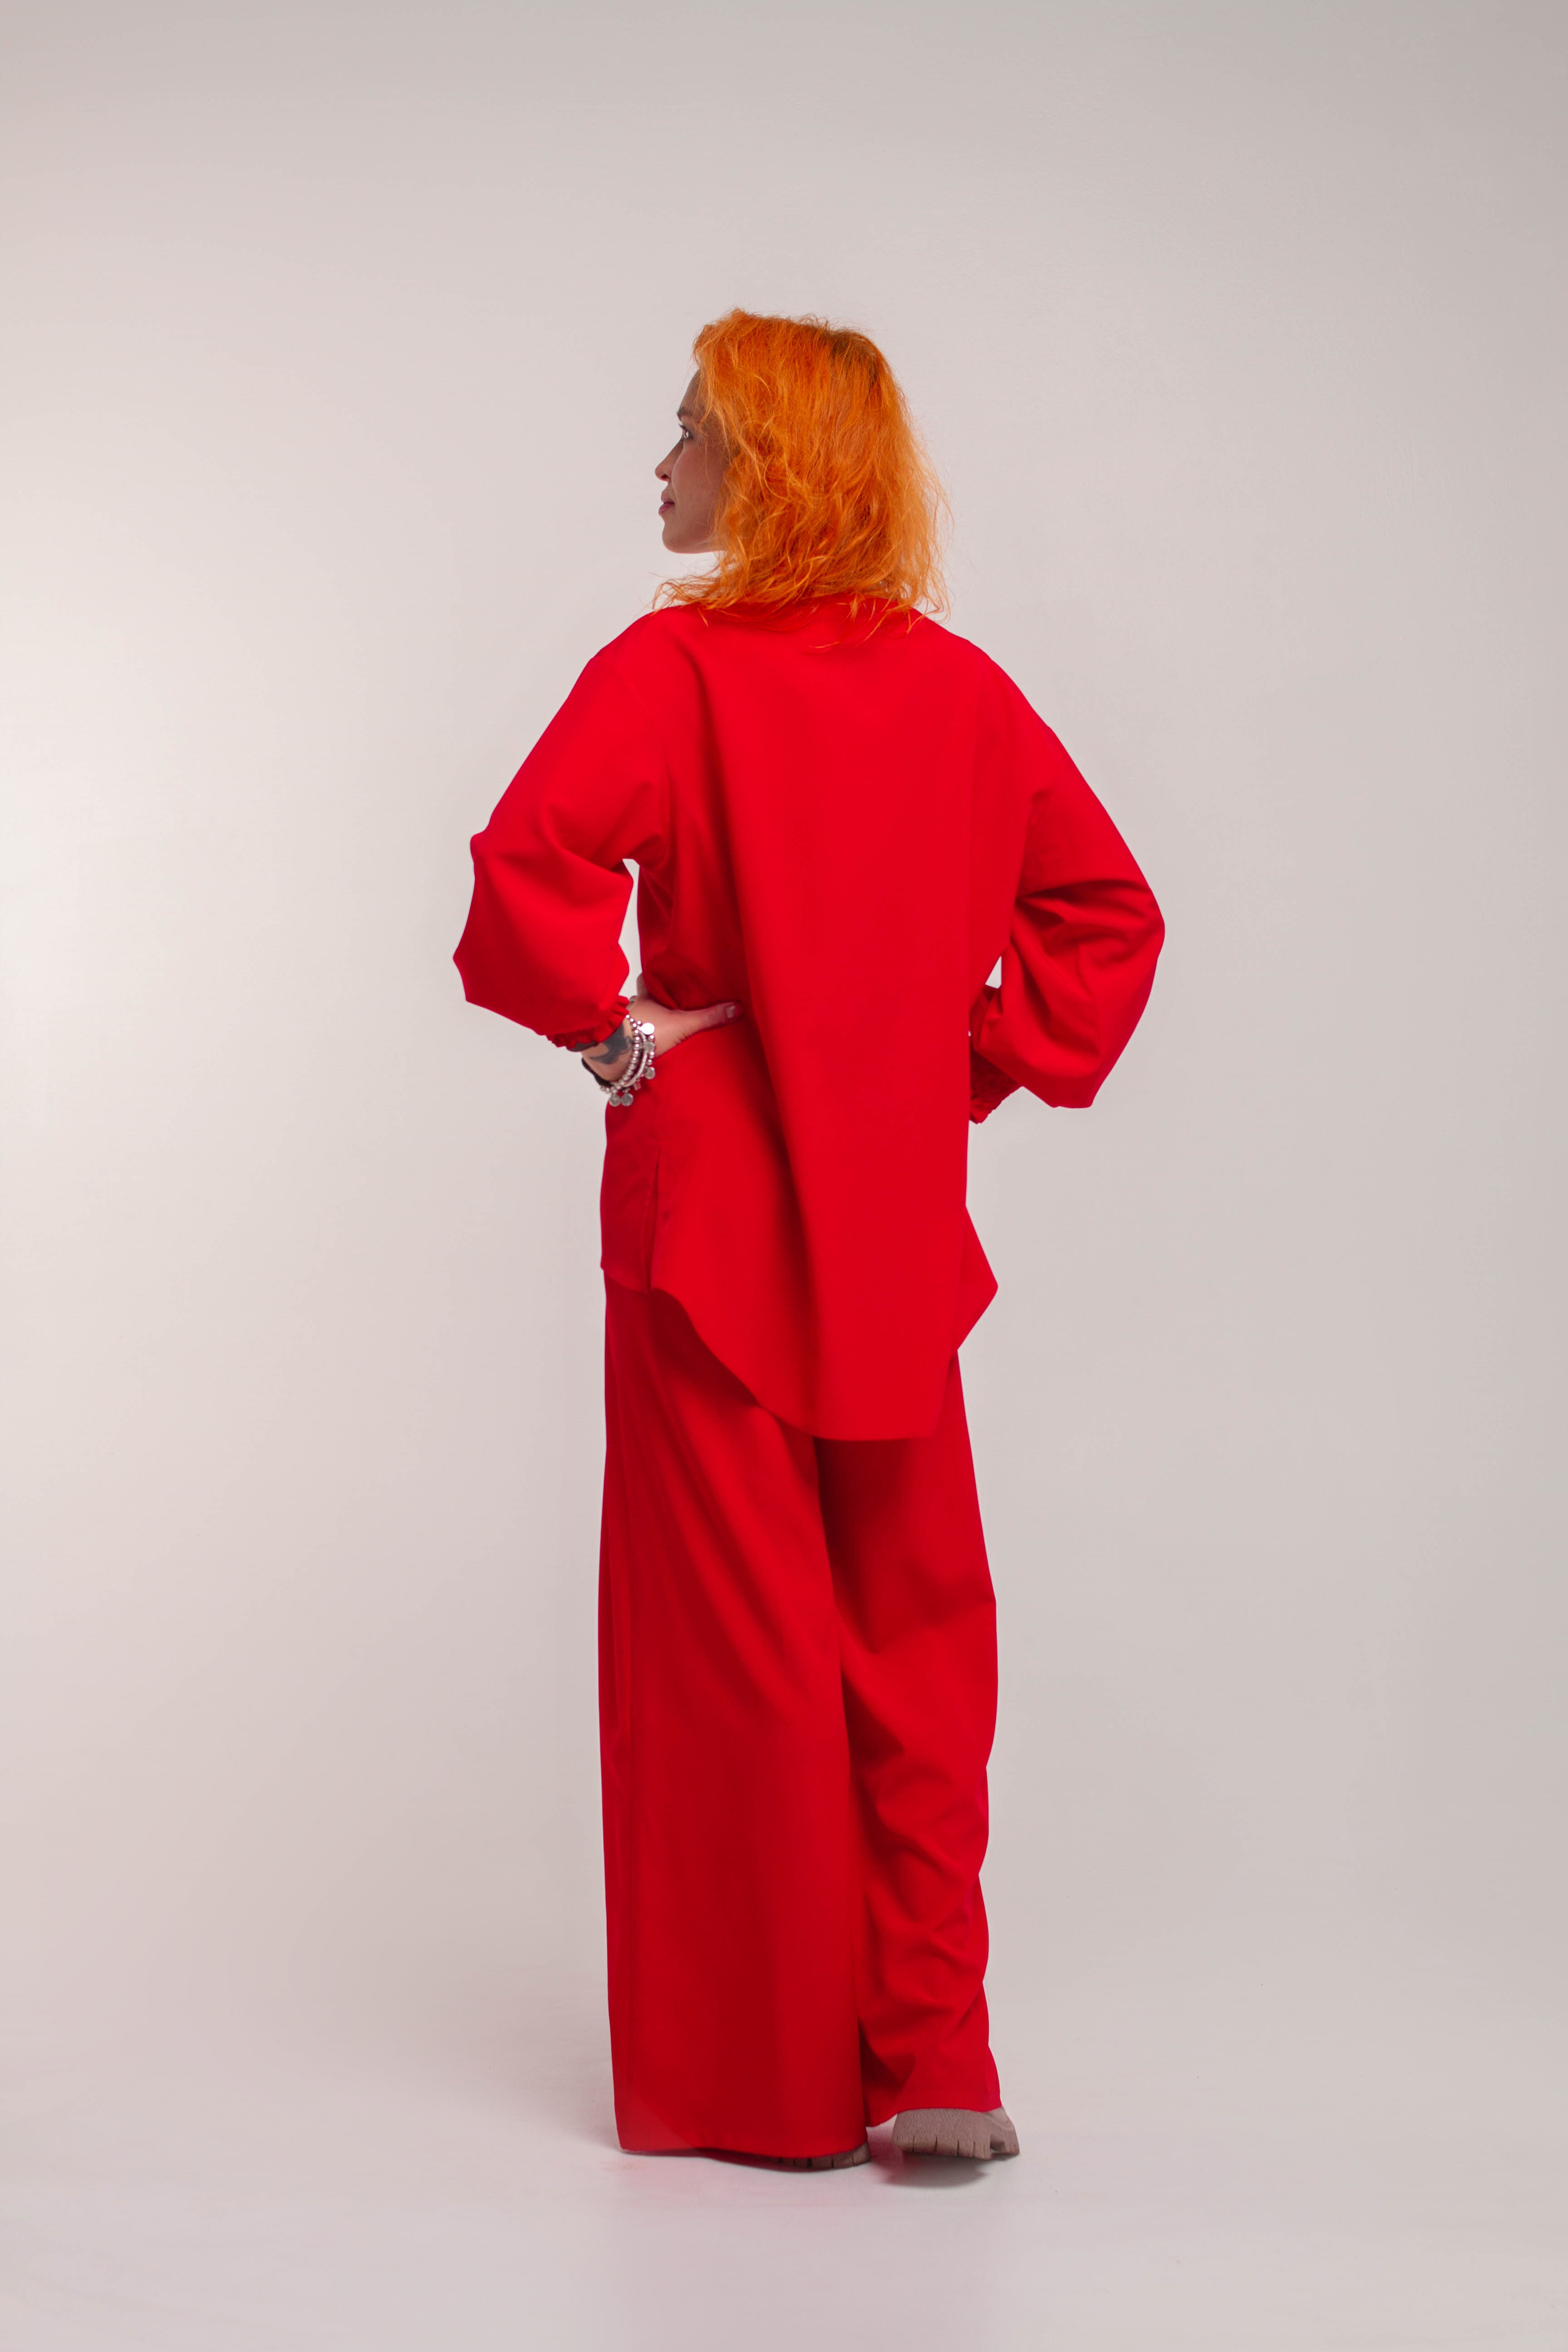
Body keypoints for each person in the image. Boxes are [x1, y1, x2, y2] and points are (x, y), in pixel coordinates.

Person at [455, 310, 1163, 2169]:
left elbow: (522, 875)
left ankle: (765, 2089)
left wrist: (617, 1043)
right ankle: (933, 2058)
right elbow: (1104, 918)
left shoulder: (671, 673)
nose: (661, 465)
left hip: (712, 1217)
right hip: (890, 1219)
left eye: (689, 432)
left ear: (763, 468)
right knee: (919, 1635)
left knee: (734, 1652)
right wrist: (955, 1068)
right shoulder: (963, 694)